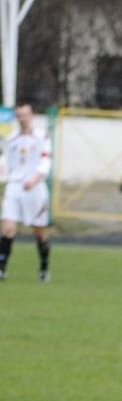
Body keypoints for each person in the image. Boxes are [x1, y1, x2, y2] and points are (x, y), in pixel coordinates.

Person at [0, 102, 53, 282]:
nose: (23, 119)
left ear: (32, 116)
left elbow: (46, 161)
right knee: (7, 228)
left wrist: (35, 178)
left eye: (26, 115)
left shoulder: (42, 137)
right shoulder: (11, 138)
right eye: (19, 115)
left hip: (35, 187)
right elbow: (6, 161)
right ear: (16, 117)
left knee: (38, 231)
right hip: (15, 186)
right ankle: (2, 268)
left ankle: (44, 268)